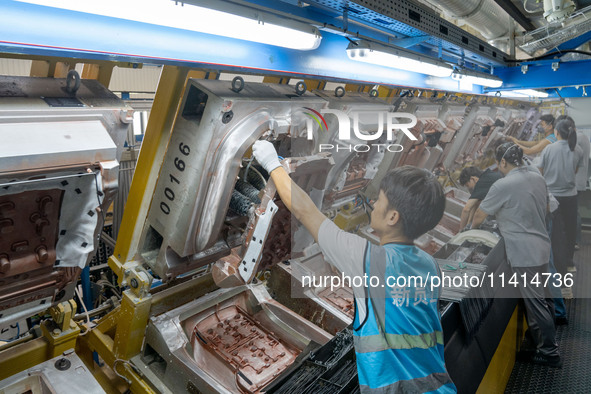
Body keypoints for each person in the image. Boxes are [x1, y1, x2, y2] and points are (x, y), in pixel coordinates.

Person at [252, 141, 456, 393]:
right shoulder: (429, 265)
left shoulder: (369, 260)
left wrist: (272, 164)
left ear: (393, 217)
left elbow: (306, 211)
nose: (373, 202)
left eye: (380, 200)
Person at [471, 143, 561, 368]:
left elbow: (480, 214)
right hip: (541, 246)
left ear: (502, 162)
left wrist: (470, 232)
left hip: (524, 253)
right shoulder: (536, 177)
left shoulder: (503, 184)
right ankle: (542, 341)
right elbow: (546, 206)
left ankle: (550, 353)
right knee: (542, 298)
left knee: (536, 303)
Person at [538, 119, 583, 275]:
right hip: (570, 196)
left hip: (552, 197)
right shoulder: (577, 149)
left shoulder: (549, 149)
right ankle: (569, 262)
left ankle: (555, 266)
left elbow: (540, 171)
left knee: (555, 234)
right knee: (570, 231)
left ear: (556, 132)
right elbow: (575, 170)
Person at [458, 166, 502, 231]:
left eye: (468, 185)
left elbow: (466, 209)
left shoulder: (481, 182)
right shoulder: (488, 176)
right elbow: (475, 205)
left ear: (473, 179)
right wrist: (468, 225)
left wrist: (460, 231)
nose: (469, 188)